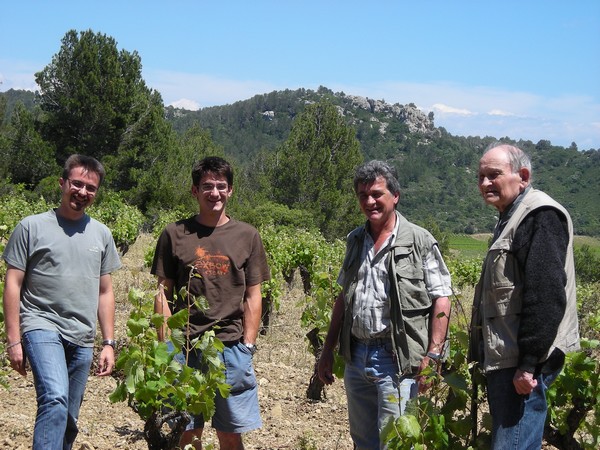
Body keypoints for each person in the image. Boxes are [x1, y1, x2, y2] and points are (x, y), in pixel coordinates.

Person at [317, 160, 452, 450]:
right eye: (363, 195)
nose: (369, 201)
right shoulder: (355, 240)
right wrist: (327, 351)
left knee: (397, 443)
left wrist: (434, 354)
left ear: (395, 195)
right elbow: (343, 298)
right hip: (357, 356)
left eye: (377, 194)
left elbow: (442, 297)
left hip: (398, 360)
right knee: (363, 442)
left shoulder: (420, 240)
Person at [2, 154, 121, 450]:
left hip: (81, 336)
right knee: (54, 397)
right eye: (77, 184)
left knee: (68, 416)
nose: (82, 192)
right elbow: (13, 284)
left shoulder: (101, 234)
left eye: (90, 188)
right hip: (41, 325)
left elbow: (105, 291)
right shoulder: (31, 227)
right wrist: (13, 340)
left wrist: (108, 342)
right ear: (62, 183)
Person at [151, 156, 270, 450]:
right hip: (183, 349)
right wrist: (166, 347)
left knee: (230, 434)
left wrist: (248, 345)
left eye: (221, 186)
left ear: (230, 191)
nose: (214, 193)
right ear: (194, 191)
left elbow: (254, 295)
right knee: (186, 433)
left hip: (230, 348)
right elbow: (162, 293)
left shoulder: (247, 235)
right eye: (207, 186)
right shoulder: (174, 233)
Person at [469, 143, 579, 449]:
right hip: (512, 358)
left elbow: (546, 295)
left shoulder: (539, 216)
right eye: (480, 176)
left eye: (494, 175)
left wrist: (529, 364)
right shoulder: (512, 214)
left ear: (523, 176)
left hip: (523, 363)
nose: (485, 183)